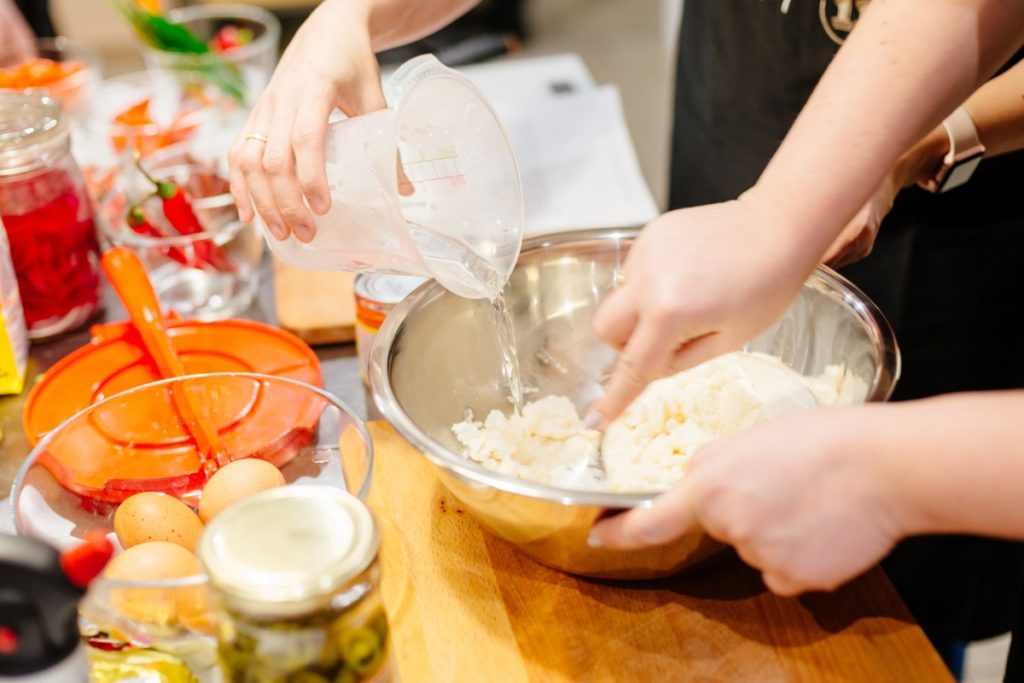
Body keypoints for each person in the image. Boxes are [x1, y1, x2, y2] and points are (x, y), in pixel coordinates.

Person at [230, 0, 1024, 672]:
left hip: (961, 238)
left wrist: (924, 144)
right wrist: (353, 13)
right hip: (753, 132)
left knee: (899, 619)